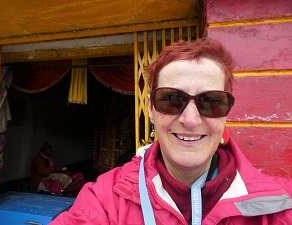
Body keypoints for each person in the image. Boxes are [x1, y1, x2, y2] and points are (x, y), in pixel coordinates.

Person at [49, 38, 292, 224]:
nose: (190, 119)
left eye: (211, 102)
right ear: (151, 110)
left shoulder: (282, 203)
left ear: (226, 114)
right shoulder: (105, 199)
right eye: (172, 99)